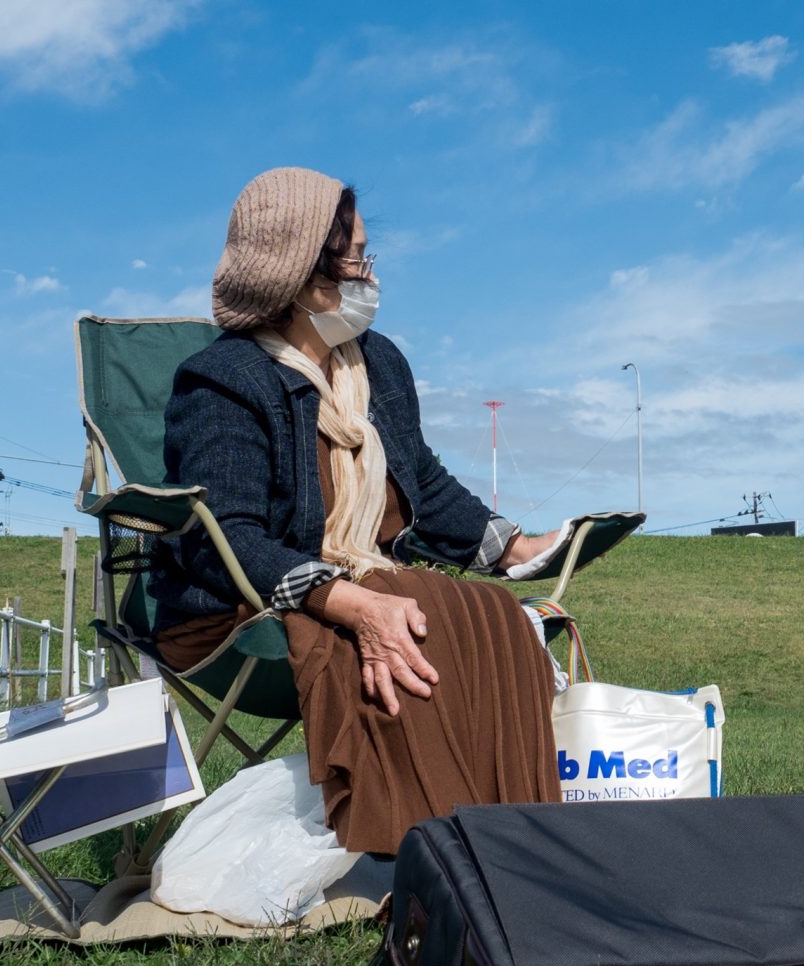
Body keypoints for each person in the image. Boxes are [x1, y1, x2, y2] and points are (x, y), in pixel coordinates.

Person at [149, 167, 567, 855]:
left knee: (500, 616)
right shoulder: (223, 382)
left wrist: (514, 547)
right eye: (354, 260)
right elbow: (226, 537)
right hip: (238, 610)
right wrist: (350, 602)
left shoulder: (379, 364)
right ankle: (431, 856)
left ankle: (514, 849)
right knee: (419, 615)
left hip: (364, 580)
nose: (369, 277)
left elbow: (420, 481)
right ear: (298, 272)